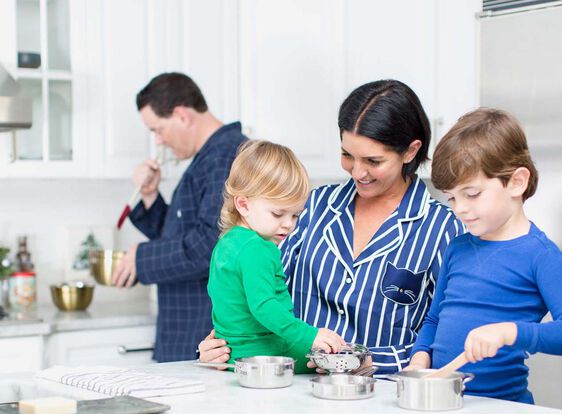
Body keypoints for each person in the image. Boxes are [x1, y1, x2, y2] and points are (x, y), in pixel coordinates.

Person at [199, 79, 464, 373]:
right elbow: (260, 296)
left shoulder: (441, 228)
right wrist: (225, 346)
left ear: (410, 152)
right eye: (347, 155)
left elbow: (445, 334)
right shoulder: (311, 208)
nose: (358, 171)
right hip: (295, 391)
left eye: (373, 160)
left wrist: (371, 361)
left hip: (383, 398)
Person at [408, 108, 562, 405]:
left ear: (516, 182)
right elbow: (434, 317)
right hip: (445, 404)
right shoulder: (457, 247)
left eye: (472, 194)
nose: (459, 208)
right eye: (452, 197)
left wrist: (511, 332)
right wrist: (420, 357)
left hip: (504, 408)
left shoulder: (540, 255)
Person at [112, 72, 246, 362]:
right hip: (187, 329)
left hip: (202, 330)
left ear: (182, 115)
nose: (159, 141)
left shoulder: (224, 157)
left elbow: (210, 245)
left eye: (158, 130)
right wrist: (150, 196)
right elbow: (180, 235)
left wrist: (141, 257)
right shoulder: (210, 157)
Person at [208, 140, 345, 372]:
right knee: (329, 363)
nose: (288, 225)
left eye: (295, 215)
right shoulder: (257, 248)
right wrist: (309, 335)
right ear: (243, 204)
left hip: (234, 358)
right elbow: (264, 306)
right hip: (266, 354)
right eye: (278, 213)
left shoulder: (227, 243)